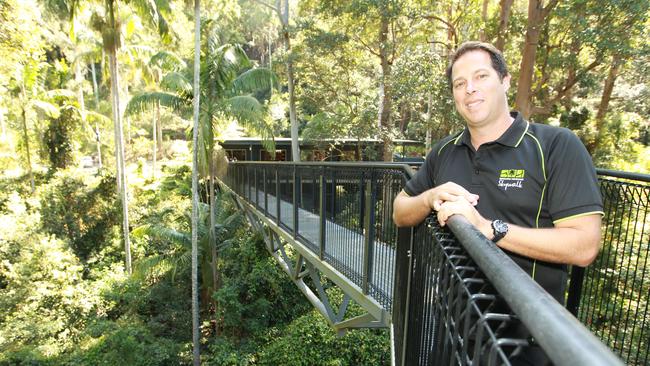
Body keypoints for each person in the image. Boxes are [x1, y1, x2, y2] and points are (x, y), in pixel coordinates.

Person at [392, 41, 603, 363]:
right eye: (459, 84)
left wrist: (488, 229)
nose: (470, 90)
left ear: (504, 81)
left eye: (481, 77)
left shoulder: (556, 146)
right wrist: (430, 196)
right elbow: (400, 211)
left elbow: (584, 245)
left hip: (521, 343)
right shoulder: (444, 151)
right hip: (452, 329)